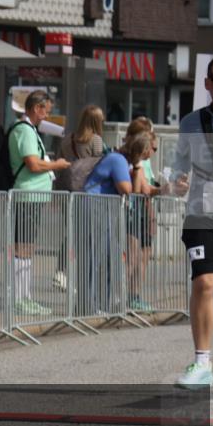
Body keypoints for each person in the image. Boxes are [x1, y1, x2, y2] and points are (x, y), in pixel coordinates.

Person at [172, 53, 213, 388]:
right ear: (207, 83)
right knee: (204, 283)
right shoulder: (190, 123)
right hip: (201, 216)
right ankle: (202, 362)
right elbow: (179, 165)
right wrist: (178, 180)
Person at [8, 91, 71, 316]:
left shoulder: (31, 130)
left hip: (33, 197)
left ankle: (25, 296)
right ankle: (20, 298)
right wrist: (56, 165)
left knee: (27, 248)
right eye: (46, 110)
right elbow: (33, 164)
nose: (47, 116)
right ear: (36, 108)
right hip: (27, 196)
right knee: (22, 248)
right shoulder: (24, 130)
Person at [82, 133, 154, 316]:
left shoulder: (122, 161)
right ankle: (87, 305)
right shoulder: (118, 160)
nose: (152, 153)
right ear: (142, 150)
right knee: (94, 257)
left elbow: (138, 190)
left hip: (104, 210)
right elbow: (127, 189)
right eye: (150, 149)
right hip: (95, 208)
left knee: (107, 258)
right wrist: (137, 168)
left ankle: (103, 303)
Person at [54, 104, 107, 290]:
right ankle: (83, 278)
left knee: (71, 232)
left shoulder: (68, 139)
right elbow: (101, 167)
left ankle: (60, 271)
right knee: (87, 236)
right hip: (87, 192)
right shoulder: (96, 140)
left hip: (68, 191)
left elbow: (59, 165)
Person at [124, 118, 160, 312]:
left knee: (144, 254)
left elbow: (148, 187)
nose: (152, 152)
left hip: (144, 211)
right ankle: (125, 296)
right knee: (133, 256)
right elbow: (141, 190)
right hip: (134, 211)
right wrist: (162, 190)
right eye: (151, 147)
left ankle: (135, 295)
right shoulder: (134, 159)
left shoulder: (144, 161)